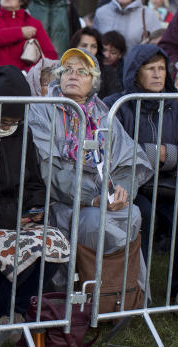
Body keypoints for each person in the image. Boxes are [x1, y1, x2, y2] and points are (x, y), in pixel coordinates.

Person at [29, 48, 153, 291]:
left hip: (103, 199)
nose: (73, 75)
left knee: (133, 213)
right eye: (68, 70)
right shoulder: (41, 110)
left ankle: (120, 291)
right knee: (92, 220)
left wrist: (120, 190)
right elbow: (50, 170)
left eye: (82, 71)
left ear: (93, 81)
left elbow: (131, 159)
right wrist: (93, 199)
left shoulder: (104, 114)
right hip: (61, 201)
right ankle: (82, 293)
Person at [0, 66, 68, 321]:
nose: (10, 125)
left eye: (15, 120)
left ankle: (18, 307)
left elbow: (33, 180)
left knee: (55, 245)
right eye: (5, 120)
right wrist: (9, 217)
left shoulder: (21, 131)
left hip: (16, 214)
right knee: (22, 249)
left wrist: (35, 207)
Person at [106, 45, 178, 296]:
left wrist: (160, 153)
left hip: (167, 183)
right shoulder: (117, 105)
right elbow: (114, 151)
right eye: (150, 69)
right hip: (130, 185)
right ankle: (137, 290)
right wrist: (152, 152)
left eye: (161, 68)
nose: (158, 75)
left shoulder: (175, 106)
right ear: (136, 73)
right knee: (143, 214)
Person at [94, 0, 162, 48]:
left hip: (137, 59)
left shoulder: (148, 15)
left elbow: (158, 45)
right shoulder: (101, 13)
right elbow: (95, 44)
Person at [99, 30, 126, 98]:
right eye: (104, 50)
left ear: (120, 55)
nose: (107, 55)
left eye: (113, 52)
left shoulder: (125, 74)